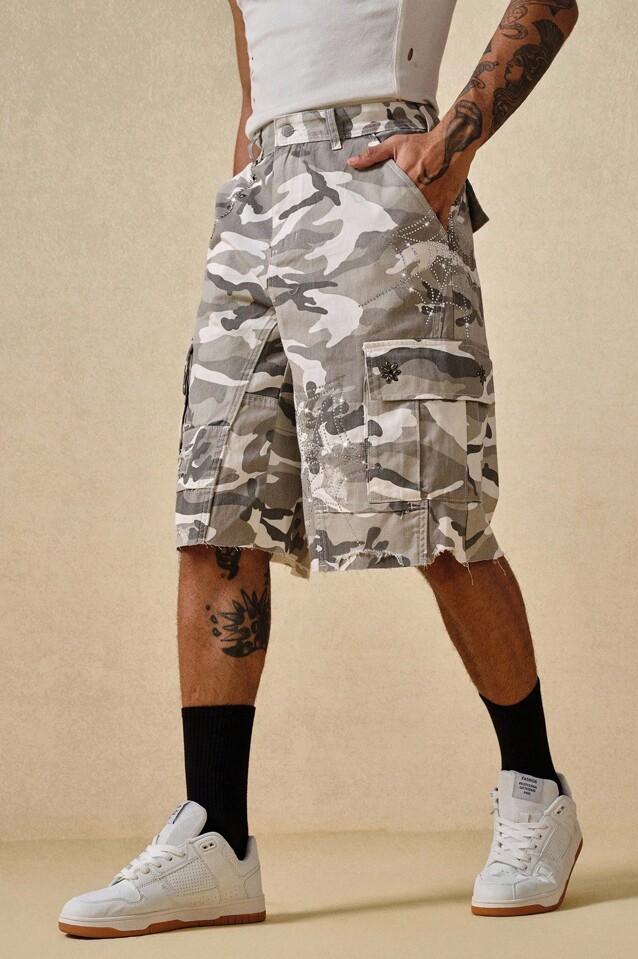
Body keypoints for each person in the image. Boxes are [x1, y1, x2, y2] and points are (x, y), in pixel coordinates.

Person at [58, 0, 581, 938]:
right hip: (257, 203)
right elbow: (259, 73)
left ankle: (536, 787)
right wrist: (243, 192)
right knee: (218, 507)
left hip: (379, 178)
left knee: (432, 508)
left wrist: (452, 144)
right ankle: (217, 835)